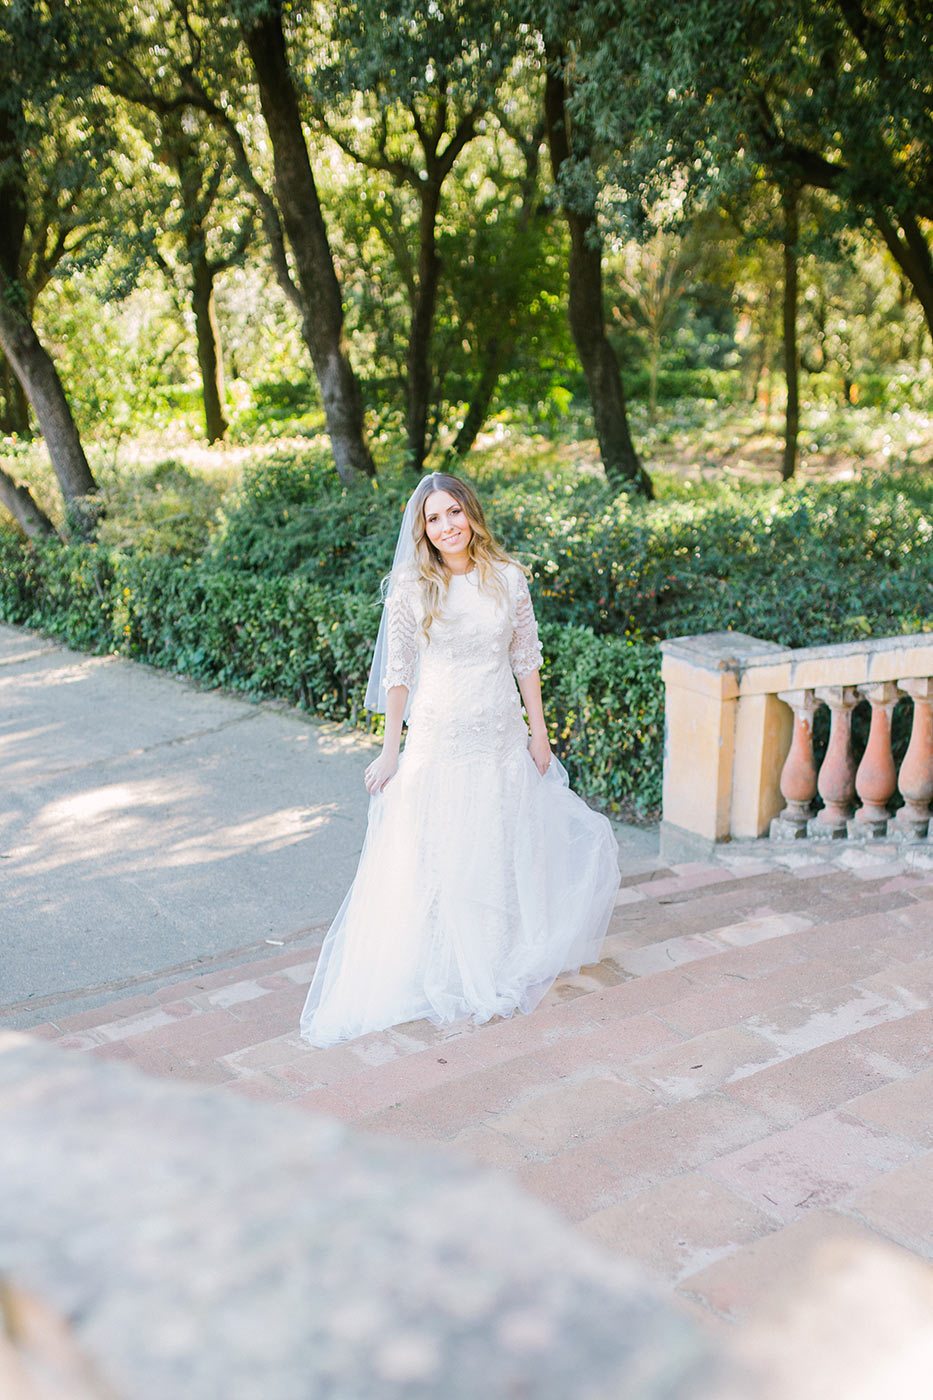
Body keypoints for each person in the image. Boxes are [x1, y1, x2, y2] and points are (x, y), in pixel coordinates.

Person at [299, 472, 620, 1049]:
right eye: (433, 518)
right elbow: (398, 674)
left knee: (497, 842)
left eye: (453, 512)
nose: (446, 526)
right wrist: (389, 750)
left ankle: (497, 956)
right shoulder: (411, 587)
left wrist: (539, 736)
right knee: (441, 849)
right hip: (440, 738)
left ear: (471, 514)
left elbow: (526, 661)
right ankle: (441, 963)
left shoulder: (509, 580)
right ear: (422, 529)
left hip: (499, 736)